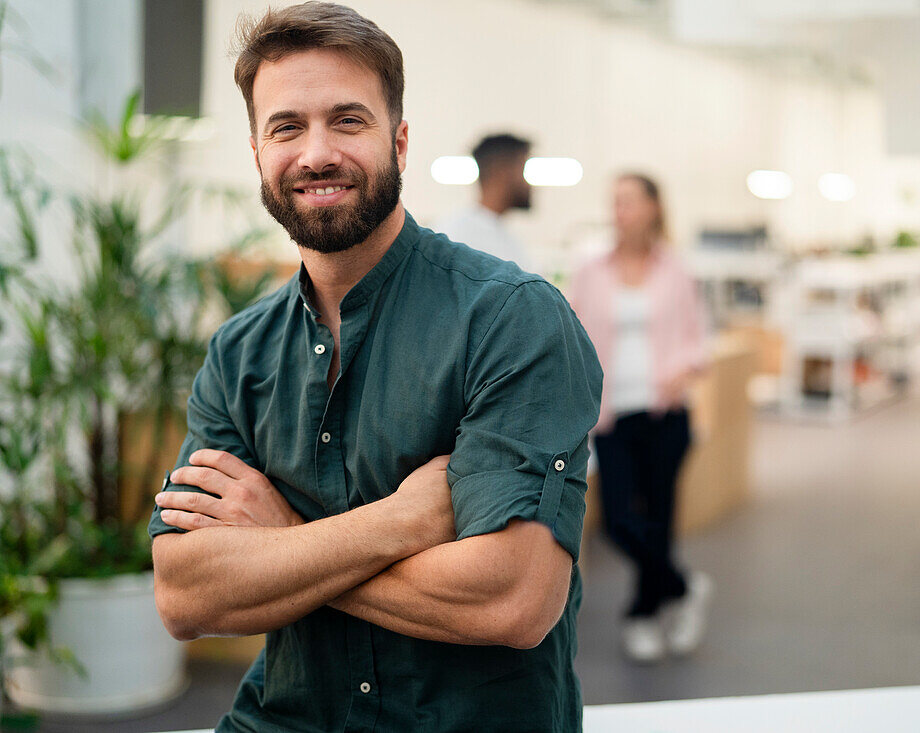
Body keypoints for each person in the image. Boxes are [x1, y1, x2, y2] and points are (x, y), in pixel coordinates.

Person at [147, 4, 601, 732]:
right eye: (286, 127)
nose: (316, 153)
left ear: (399, 140)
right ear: (258, 152)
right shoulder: (241, 353)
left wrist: (279, 540)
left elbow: (513, 598)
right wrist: (400, 520)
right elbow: (187, 594)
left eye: (347, 121)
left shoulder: (510, 319)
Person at [569, 173, 712, 664]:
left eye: (628, 201)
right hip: (611, 416)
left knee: (660, 518)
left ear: (653, 207)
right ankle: (685, 586)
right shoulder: (590, 270)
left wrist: (682, 370)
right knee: (619, 522)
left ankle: (643, 614)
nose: (619, 211)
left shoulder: (676, 270)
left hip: (665, 414)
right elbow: (573, 334)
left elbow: (699, 336)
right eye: (614, 202)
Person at [437, 133, 533, 269]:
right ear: (502, 172)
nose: (529, 185)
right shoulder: (456, 235)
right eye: (522, 171)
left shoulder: (505, 236)